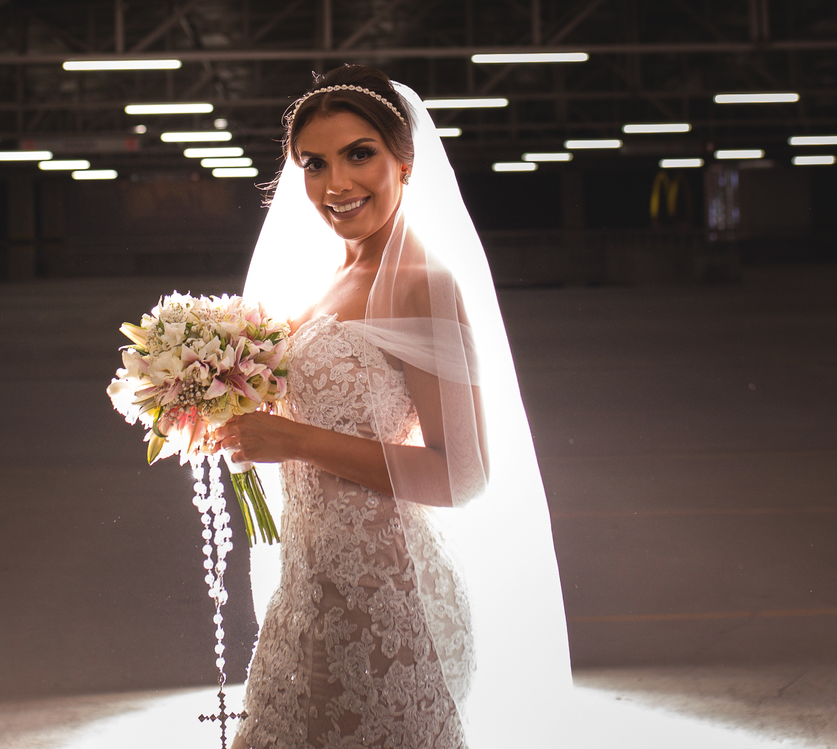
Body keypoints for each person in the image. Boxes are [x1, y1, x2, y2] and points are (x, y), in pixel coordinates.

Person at [213, 65, 573, 748]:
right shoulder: (328, 281)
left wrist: (293, 441)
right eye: (313, 163)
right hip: (306, 588)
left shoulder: (422, 285)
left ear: (405, 162)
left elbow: (461, 474)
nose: (335, 184)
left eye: (359, 154)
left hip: (384, 602)